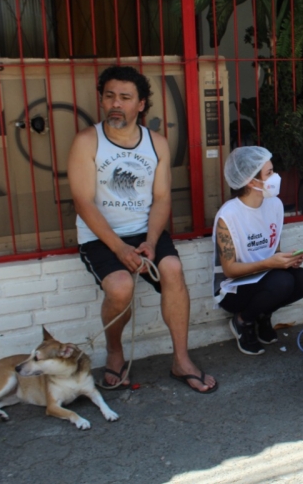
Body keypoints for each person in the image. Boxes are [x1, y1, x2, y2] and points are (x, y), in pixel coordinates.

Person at [69, 65, 217, 393]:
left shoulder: (157, 144)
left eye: (125, 97)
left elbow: (162, 199)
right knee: (121, 287)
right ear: (102, 100)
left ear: (141, 104)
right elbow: (83, 202)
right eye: (110, 96)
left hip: (144, 230)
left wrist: (150, 241)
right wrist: (119, 248)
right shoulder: (87, 142)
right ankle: (115, 350)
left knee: (173, 269)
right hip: (101, 235)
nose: (116, 104)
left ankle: (181, 360)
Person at [213, 146, 303, 356]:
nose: (275, 177)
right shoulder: (228, 215)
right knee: (282, 282)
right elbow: (229, 270)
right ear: (251, 181)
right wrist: (271, 264)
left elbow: (273, 249)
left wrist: (287, 261)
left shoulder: (274, 204)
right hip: (233, 288)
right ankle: (243, 321)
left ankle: (262, 314)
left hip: (266, 277)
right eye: (269, 173)